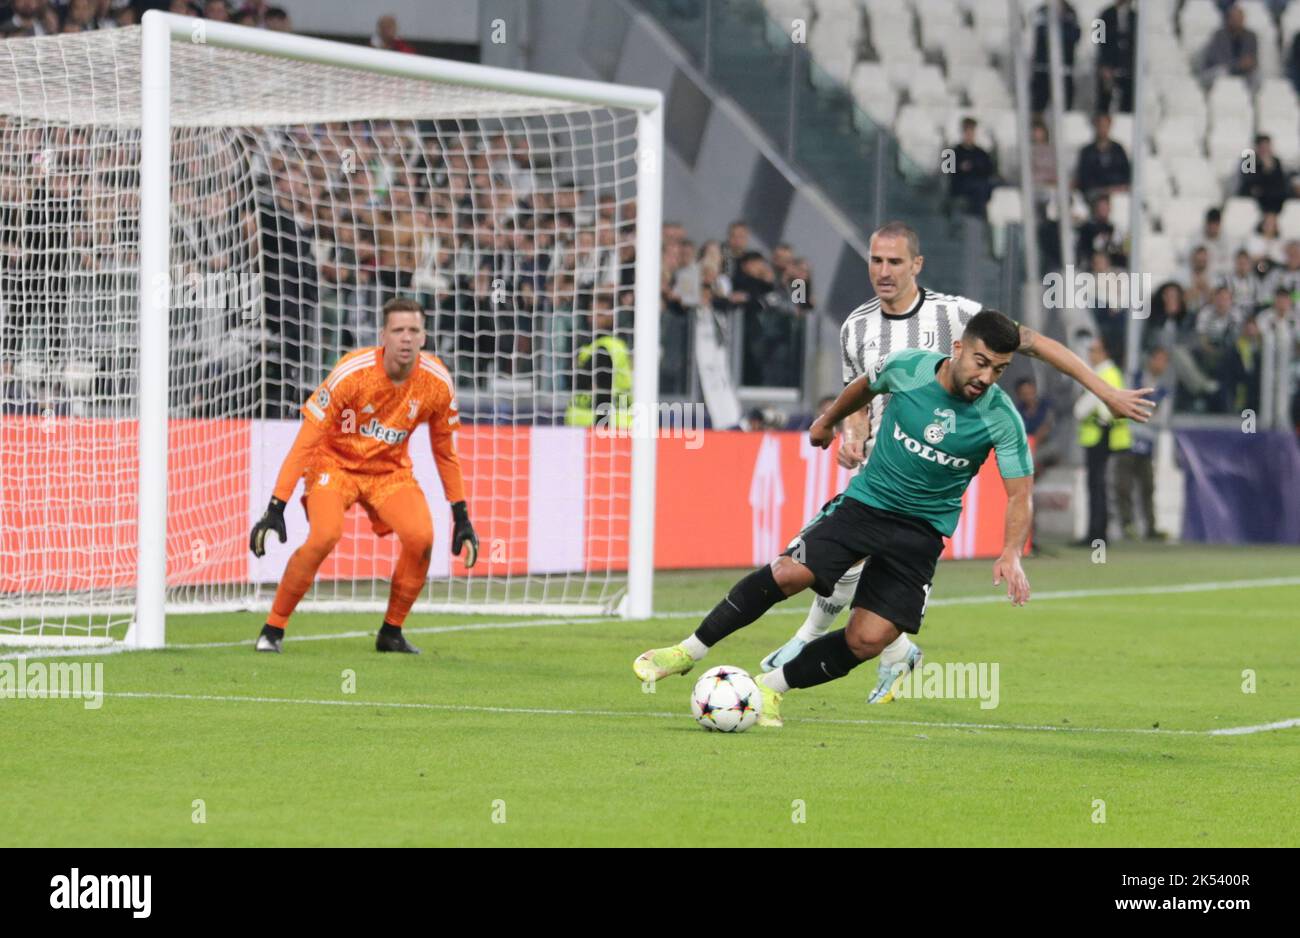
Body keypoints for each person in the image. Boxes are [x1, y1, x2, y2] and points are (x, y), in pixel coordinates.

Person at [739, 221, 1156, 706]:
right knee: (832, 561)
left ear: (916, 265)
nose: (884, 271)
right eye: (876, 261)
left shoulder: (956, 313)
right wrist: (851, 434)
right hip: (879, 457)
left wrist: (1104, 391)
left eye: (895, 262)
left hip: (931, 458)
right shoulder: (855, 325)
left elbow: (1036, 343)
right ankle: (873, 650)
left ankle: (816, 641)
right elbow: (859, 392)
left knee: (848, 568)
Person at [633, 312, 1035, 727]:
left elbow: (1019, 492)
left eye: (999, 370)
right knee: (790, 572)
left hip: (922, 533)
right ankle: (687, 651)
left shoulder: (1000, 418)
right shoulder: (908, 367)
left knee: (868, 639)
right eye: (981, 362)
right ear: (957, 349)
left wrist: (1010, 552)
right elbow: (863, 385)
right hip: (866, 505)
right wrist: (829, 421)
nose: (986, 378)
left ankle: (771, 687)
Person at [248, 297, 479, 653]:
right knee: (325, 535)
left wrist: (461, 515)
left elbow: (445, 452)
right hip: (334, 465)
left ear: (424, 337)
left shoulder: (437, 383)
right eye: (398, 330)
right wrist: (275, 506)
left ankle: (391, 632)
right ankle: (273, 629)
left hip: (389, 473)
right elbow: (305, 443)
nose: (406, 338)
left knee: (421, 538)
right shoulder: (351, 373)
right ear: (382, 335)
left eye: (413, 330)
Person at [1073, 334, 1129, 546]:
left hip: (1100, 437)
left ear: (1104, 352)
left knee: (1097, 487)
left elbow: (1081, 410)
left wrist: (1083, 411)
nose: (1090, 354)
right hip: (1105, 437)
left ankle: (1096, 534)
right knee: (1100, 487)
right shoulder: (1111, 373)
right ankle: (1097, 533)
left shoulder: (1103, 374)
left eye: (1094, 350)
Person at [1116, 347, 1171, 541]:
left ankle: (1151, 527)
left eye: (1165, 361)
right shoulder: (1134, 379)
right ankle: (1127, 524)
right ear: (1150, 360)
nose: (1161, 364)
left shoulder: (1163, 390)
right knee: (1123, 485)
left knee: (1148, 486)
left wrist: (1140, 412)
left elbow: (1161, 419)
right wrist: (1145, 413)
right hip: (1127, 440)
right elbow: (1126, 405)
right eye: (1159, 359)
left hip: (1147, 443)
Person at [1201, 3, 1259, 90]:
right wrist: (1239, 64)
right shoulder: (1219, 36)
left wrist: (1247, 64)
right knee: (1220, 72)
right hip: (1221, 70)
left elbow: (1252, 59)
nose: (1237, 21)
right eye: (1235, 18)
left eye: (1240, 18)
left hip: (1244, 72)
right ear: (1229, 19)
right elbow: (1217, 60)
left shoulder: (1251, 36)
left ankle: (1252, 101)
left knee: (1257, 77)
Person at [949, 117, 997, 217]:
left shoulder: (981, 152)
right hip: (960, 186)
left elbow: (989, 169)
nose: (969, 135)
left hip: (979, 188)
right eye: (967, 131)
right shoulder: (954, 151)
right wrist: (960, 167)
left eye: (971, 131)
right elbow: (948, 172)